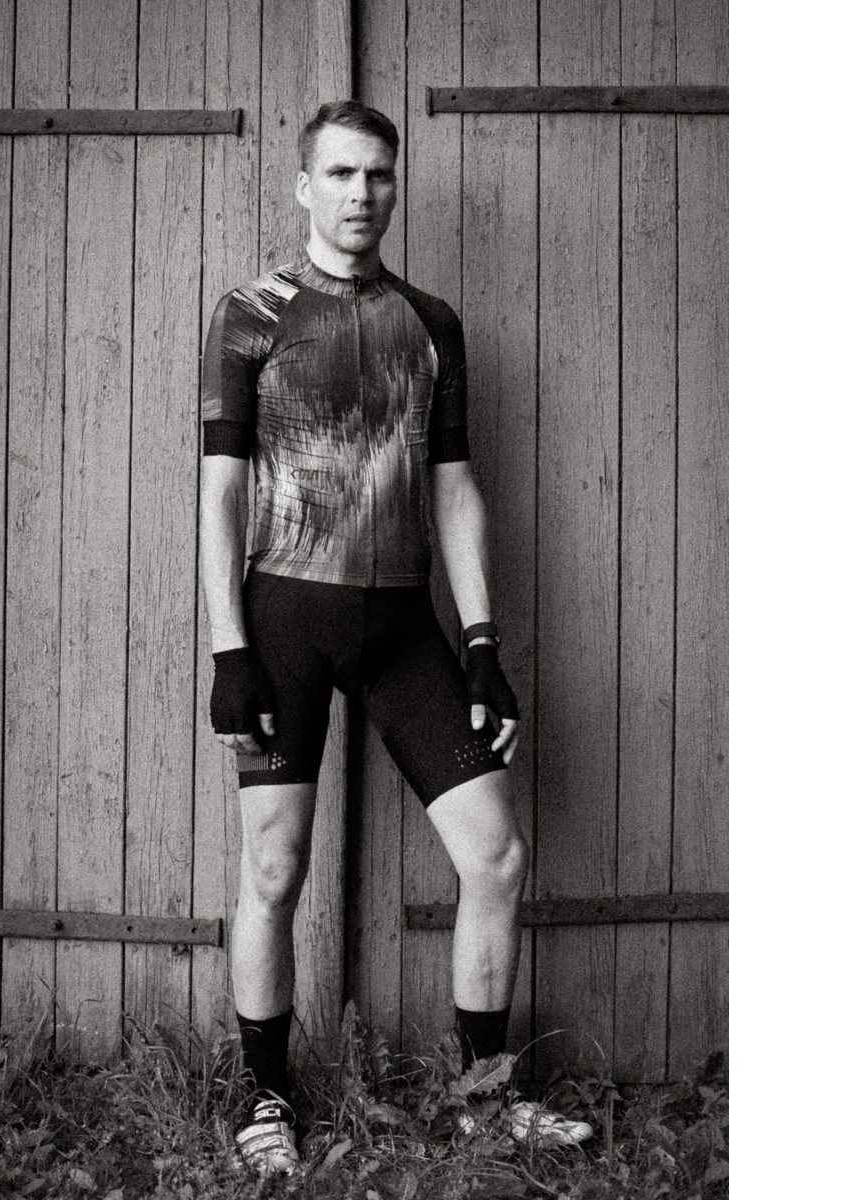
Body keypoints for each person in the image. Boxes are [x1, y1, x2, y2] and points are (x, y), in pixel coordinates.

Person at [199, 100, 592, 1176]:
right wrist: (230, 651)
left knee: (497, 855)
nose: (361, 193)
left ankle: (484, 1099)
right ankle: (265, 1099)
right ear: (304, 186)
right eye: (340, 173)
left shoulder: (431, 323)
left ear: (394, 184)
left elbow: (455, 486)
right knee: (274, 867)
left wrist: (482, 644)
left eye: (377, 174)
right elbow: (220, 492)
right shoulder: (251, 315)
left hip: (403, 621)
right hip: (284, 617)